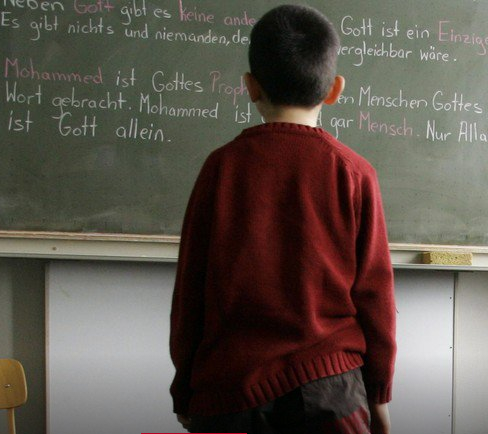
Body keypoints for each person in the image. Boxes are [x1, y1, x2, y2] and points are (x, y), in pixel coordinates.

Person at [169, 5, 396, 434]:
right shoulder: (354, 172)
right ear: (335, 89)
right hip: (332, 390)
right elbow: (376, 296)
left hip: (229, 393)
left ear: (250, 86)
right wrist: (379, 394)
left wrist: (185, 389)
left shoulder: (220, 168)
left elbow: (190, 293)